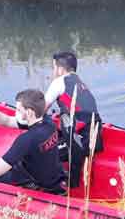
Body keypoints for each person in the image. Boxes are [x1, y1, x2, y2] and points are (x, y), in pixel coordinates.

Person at [0, 89, 66, 194]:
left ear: (29, 112)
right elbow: (8, 121)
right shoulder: (48, 123)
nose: (16, 113)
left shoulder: (26, 140)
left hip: (33, 181)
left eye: (19, 110)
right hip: (50, 174)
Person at [44, 51, 103, 188]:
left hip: (79, 139)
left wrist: (21, 122)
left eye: (53, 67)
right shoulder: (80, 83)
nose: (53, 71)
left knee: (39, 152)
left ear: (60, 69)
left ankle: (65, 184)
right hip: (95, 136)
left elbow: (41, 110)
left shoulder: (59, 82)